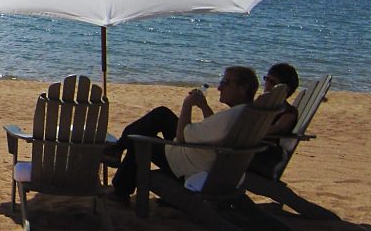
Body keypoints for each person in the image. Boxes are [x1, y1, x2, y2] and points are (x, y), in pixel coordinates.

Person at [108, 65, 262, 202]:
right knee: (162, 114)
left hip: (188, 164)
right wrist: (204, 106)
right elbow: (213, 131)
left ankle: (121, 189)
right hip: (211, 162)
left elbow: (182, 137)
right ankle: (118, 147)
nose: (219, 88)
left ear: (243, 88)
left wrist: (187, 104)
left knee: (139, 140)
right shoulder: (247, 114)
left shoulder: (228, 119)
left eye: (225, 82)